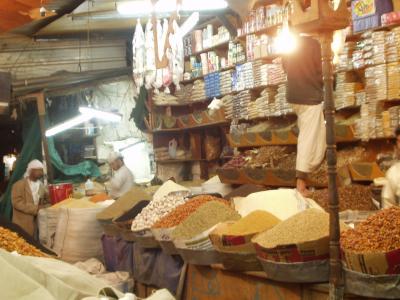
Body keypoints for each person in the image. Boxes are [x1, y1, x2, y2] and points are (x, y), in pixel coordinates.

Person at [282, 35, 326, 196]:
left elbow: (285, 66)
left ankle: (307, 174)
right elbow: (321, 70)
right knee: (309, 138)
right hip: (309, 96)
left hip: (293, 95)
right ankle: (301, 183)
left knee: (310, 133)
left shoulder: (290, 42)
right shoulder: (315, 44)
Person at [11, 160, 48, 237]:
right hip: (22, 223)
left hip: (36, 224)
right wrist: (36, 208)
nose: (41, 173)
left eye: (42, 171)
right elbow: (17, 203)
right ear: (31, 170)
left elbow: (46, 200)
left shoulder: (41, 186)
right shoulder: (19, 185)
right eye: (39, 170)